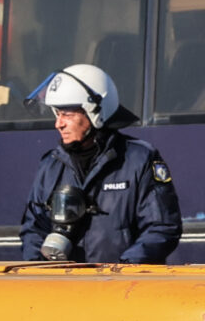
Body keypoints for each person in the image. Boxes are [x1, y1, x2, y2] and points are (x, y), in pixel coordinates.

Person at [18, 64, 181, 264]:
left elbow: (162, 227)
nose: (58, 124)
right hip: (64, 289)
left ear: (95, 112)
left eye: (67, 115)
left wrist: (124, 271)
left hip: (123, 289)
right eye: (57, 114)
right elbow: (33, 229)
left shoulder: (139, 159)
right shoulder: (50, 165)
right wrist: (40, 270)